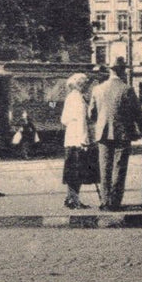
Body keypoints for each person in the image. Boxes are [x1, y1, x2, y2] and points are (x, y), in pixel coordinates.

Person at [89, 58, 142, 210]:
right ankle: (114, 202)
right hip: (123, 133)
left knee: (104, 167)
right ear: (122, 70)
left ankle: (105, 201)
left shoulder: (97, 89)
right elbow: (138, 113)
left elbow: (91, 114)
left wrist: (101, 121)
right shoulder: (127, 89)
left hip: (102, 133)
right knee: (119, 167)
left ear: (110, 70)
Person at [60, 73, 92, 208]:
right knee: (77, 172)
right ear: (81, 84)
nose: (87, 87)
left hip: (70, 137)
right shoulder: (78, 98)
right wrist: (84, 139)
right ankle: (74, 200)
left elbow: (63, 119)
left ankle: (70, 198)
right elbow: (82, 121)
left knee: (71, 170)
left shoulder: (70, 97)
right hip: (78, 139)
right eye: (86, 84)